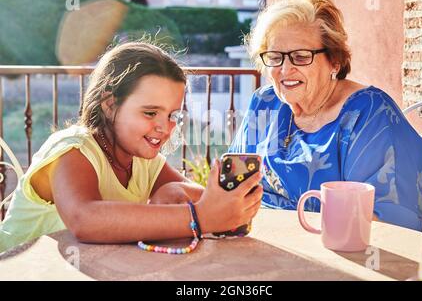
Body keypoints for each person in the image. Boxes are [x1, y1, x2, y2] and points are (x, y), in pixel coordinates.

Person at [0, 42, 263, 253]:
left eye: (172, 115)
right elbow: (84, 219)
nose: (165, 127)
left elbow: (191, 199)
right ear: (109, 104)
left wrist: (226, 204)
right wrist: (202, 216)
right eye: (150, 113)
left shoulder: (143, 160)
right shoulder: (73, 149)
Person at [228, 0, 422, 231]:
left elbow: (387, 223)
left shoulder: (370, 114)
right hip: (257, 241)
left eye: (301, 56)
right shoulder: (264, 103)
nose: (284, 69)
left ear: (334, 60)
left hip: (334, 252)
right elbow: (233, 183)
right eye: (275, 56)